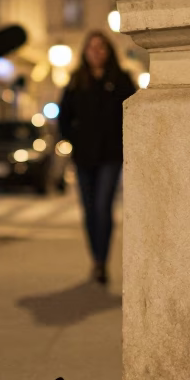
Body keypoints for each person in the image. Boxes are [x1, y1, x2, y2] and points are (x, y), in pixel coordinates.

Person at [57, 31, 136, 285]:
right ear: (85, 52)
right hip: (84, 156)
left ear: (109, 51)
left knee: (103, 207)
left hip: (111, 155)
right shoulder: (76, 80)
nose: (96, 52)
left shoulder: (121, 79)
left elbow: (133, 113)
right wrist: (73, 139)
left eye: (101, 47)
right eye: (91, 48)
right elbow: (64, 116)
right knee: (89, 210)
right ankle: (96, 259)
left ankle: (102, 260)